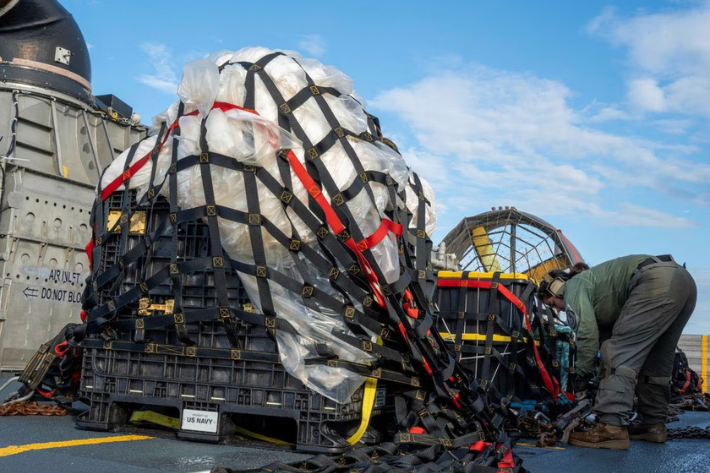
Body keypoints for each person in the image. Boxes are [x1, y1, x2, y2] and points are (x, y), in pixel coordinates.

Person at [537, 254, 696, 450]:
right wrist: (596, 379)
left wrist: (582, 375)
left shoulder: (574, 287)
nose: (560, 311)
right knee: (655, 360)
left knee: (618, 353)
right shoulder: (600, 297)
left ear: (557, 288)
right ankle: (653, 425)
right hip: (683, 282)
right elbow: (606, 340)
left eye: (553, 304)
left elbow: (587, 335)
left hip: (655, 282)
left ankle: (611, 428)